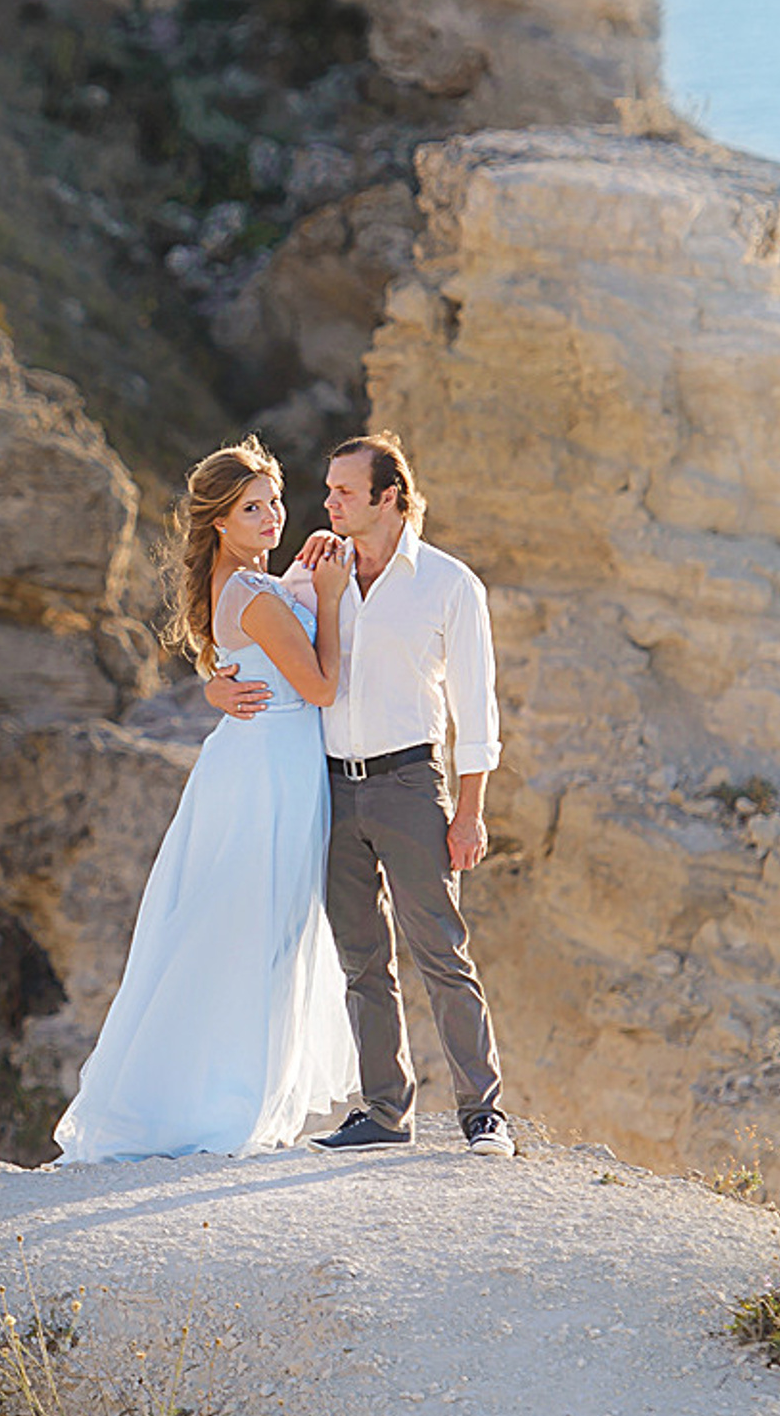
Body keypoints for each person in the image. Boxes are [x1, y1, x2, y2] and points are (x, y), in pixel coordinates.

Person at [204, 430, 515, 1156]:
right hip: (330, 788)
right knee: (360, 959)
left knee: (441, 950)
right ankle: (384, 1113)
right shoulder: (313, 576)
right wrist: (213, 686)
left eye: (344, 491)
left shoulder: (449, 585)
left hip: (411, 783)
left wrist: (469, 812)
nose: (328, 502)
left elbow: (479, 711)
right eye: (330, 490)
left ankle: (483, 1114)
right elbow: (243, 632)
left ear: (390, 498)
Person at [55, 439, 358, 1163]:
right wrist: (334, 602)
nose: (272, 516)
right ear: (220, 522)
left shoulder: (249, 582)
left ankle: (231, 1097)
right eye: (252, 508)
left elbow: (244, 641)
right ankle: (216, 1106)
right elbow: (319, 687)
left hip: (262, 761)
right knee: (254, 932)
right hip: (272, 770)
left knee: (252, 930)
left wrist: (302, 582)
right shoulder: (250, 593)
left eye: (275, 501)